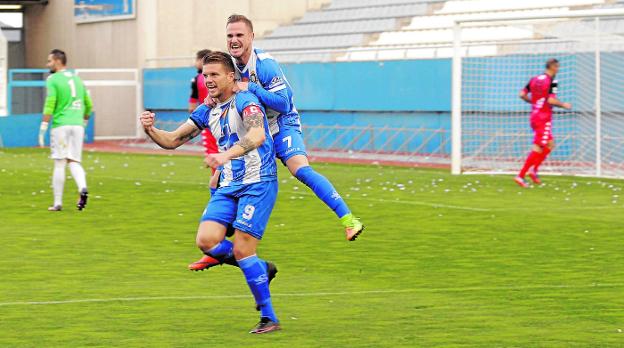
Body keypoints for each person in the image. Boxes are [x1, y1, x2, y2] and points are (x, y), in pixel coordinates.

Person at [140, 51, 281, 334]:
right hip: (228, 185)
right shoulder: (207, 110)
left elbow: (257, 136)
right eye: (206, 75)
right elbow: (173, 140)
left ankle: (269, 317)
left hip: (258, 182)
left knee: (242, 249)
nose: (209, 80)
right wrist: (151, 129)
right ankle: (260, 268)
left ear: (232, 76)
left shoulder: (246, 101)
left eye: (214, 74)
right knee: (206, 241)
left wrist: (224, 156)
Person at [39, 49, 93, 211]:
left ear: (57, 61)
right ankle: (82, 187)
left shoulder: (53, 79)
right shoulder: (77, 79)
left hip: (61, 125)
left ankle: (57, 203)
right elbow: (88, 104)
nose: (48, 64)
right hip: (77, 125)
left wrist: (43, 127)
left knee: (60, 162)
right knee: (74, 161)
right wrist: (83, 122)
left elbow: (50, 102)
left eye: (49, 61)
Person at [515, 58, 572, 188]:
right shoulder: (553, 82)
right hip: (543, 117)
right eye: (557, 67)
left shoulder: (534, 79)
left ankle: (533, 170)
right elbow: (551, 101)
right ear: (552, 66)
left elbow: (522, 94)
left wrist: (534, 103)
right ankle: (521, 175)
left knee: (550, 144)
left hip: (534, 115)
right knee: (538, 146)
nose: (558, 69)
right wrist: (564, 105)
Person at [188, 49, 219, 168]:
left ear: (202, 60)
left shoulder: (197, 79)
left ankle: (216, 184)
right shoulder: (225, 75)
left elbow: (192, 105)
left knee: (212, 153)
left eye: (196, 60)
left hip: (208, 119)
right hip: (227, 117)